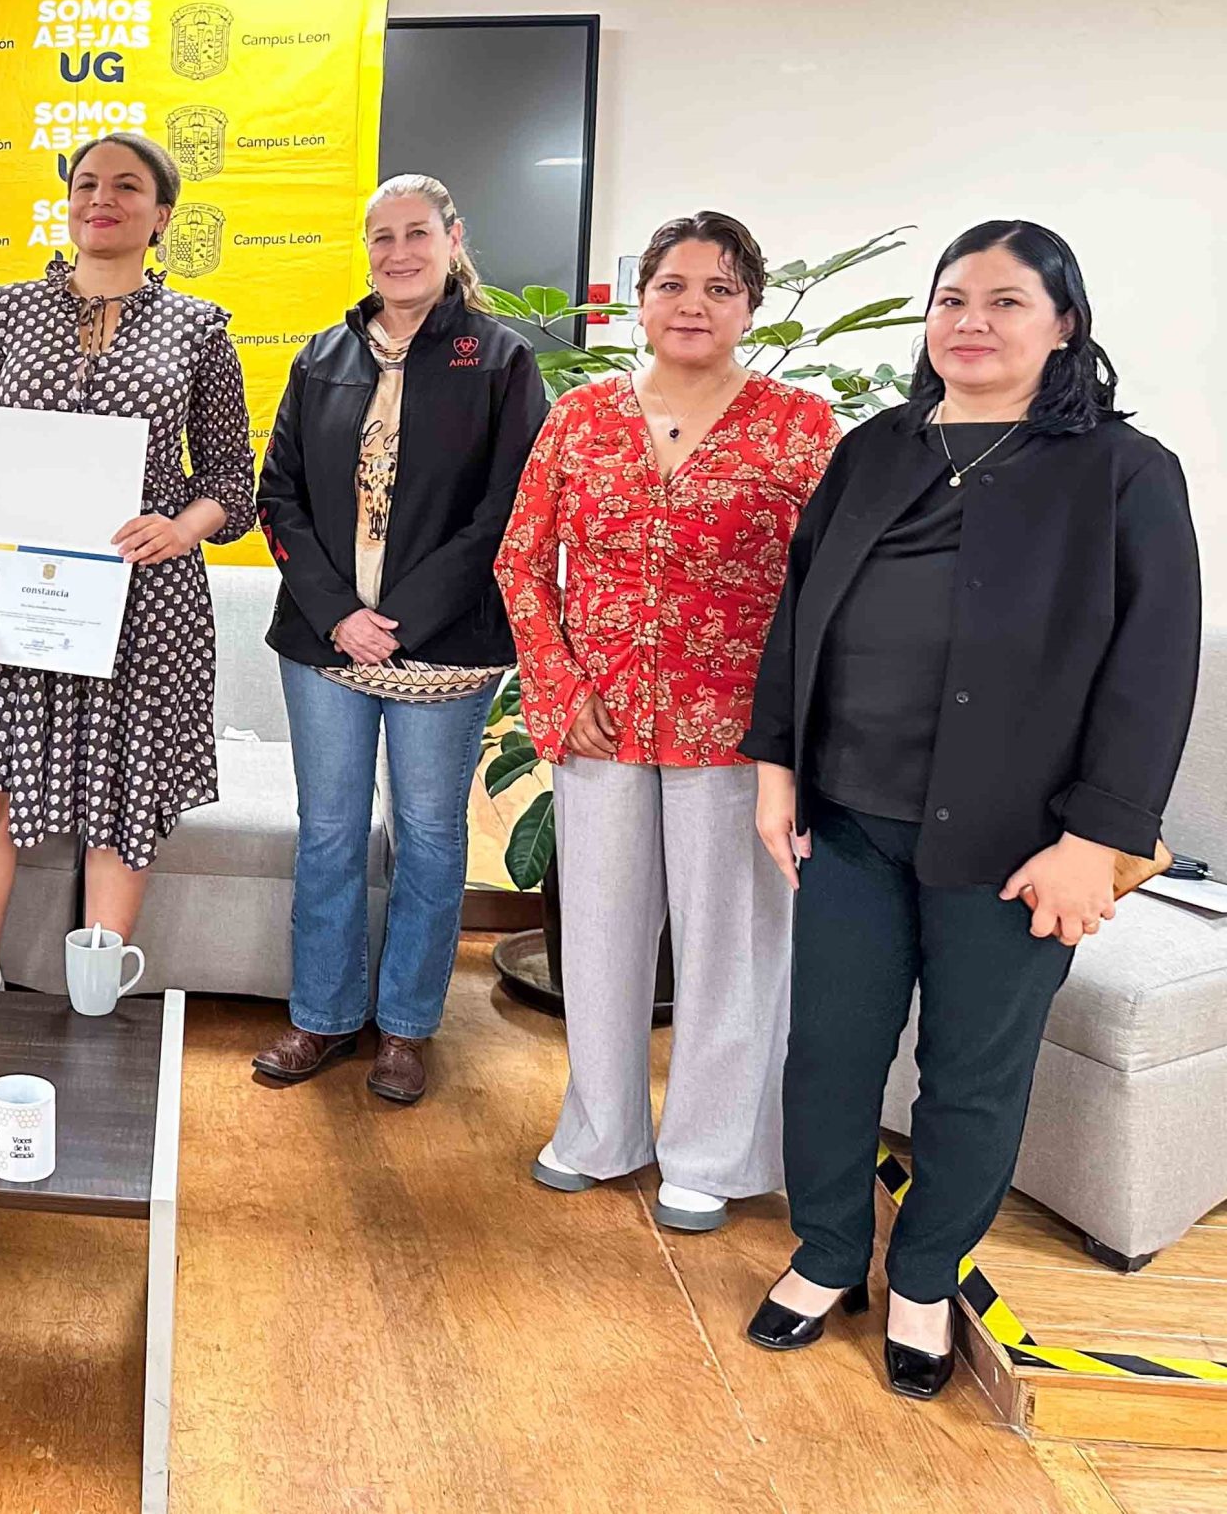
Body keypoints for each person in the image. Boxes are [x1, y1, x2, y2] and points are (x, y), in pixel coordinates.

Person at [741, 223, 1199, 1400]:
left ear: (1064, 324)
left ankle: (924, 1275)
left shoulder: (1120, 470)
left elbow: (1150, 669)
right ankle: (831, 1249)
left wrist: (1094, 841)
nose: (971, 322)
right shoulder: (873, 450)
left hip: (1017, 840)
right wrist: (776, 768)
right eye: (951, 299)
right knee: (830, 1052)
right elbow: (800, 613)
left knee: (972, 1071)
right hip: (847, 813)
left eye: (1005, 300)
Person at [493, 211, 837, 1233]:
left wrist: (793, 727)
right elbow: (520, 560)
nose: (692, 305)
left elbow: (830, 587)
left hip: (735, 728)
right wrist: (559, 688)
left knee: (730, 940)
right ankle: (600, 1130)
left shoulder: (798, 426)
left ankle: (714, 1151)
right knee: (598, 932)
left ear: (750, 305)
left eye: (718, 288)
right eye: (673, 284)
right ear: (637, 299)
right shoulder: (580, 418)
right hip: (596, 720)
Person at [0, 131, 258, 989]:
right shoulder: (4, 313)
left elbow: (232, 478)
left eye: (126, 186)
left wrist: (185, 526)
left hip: (146, 602)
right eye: (85, 183)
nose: (100, 198)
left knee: (121, 803)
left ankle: (96, 996)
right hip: (16, 599)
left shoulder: (199, 329)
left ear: (162, 215)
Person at [252, 175, 548, 1102]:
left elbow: (508, 510)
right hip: (324, 643)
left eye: (416, 233)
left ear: (453, 238)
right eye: (381, 237)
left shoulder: (499, 360)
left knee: (426, 835)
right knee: (330, 832)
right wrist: (340, 612)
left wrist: (401, 620)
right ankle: (324, 1014)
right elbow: (280, 496)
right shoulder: (321, 355)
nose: (397, 253)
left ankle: (408, 1027)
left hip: (445, 642)